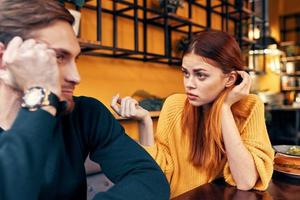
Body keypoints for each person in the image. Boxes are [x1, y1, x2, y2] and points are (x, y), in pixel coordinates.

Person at [0, 0, 170, 199]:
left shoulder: (85, 113)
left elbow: (150, 179)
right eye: (58, 57)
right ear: (4, 59)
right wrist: (41, 94)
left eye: (75, 59)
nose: (76, 76)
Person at [111, 30, 274, 198]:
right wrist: (144, 122)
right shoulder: (174, 105)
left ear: (230, 79)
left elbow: (246, 181)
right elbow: (159, 174)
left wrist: (224, 108)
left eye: (200, 75)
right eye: (185, 73)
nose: (189, 84)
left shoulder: (249, 107)